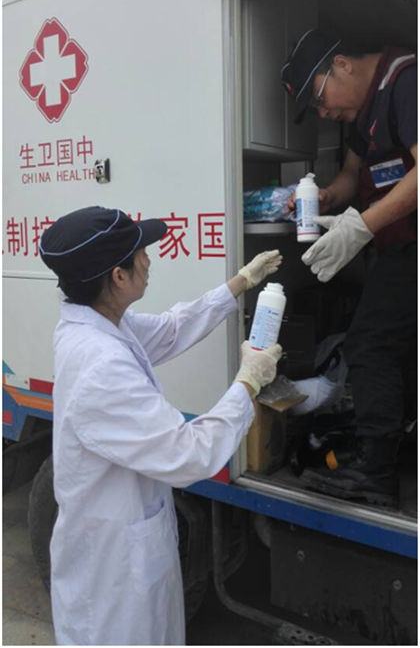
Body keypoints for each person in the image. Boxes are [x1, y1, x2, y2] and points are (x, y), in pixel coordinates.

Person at [39, 205, 283, 646]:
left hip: (126, 554)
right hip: (113, 581)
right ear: (118, 276)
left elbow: (171, 328)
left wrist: (240, 283)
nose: (149, 260)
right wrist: (249, 382)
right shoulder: (101, 365)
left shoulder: (103, 324)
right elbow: (190, 453)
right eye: (141, 253)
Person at [281, 28, 417, 507]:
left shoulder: (405, 82)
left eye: (320, 98)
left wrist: (361, 226)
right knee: (394, 349)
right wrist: (325, 198)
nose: (324, 113)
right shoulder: (367, 113)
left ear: (342, 64)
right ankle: (390, 451)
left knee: (369, 343)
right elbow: (351, 175)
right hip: (397, 248)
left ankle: (375, 473)